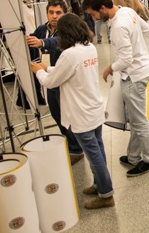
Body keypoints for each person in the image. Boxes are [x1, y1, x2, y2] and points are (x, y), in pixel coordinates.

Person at [30, 13, 114, 210]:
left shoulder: (69, 54)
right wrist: (48, 68)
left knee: (93, 154)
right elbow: (68, 71)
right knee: (98, 149)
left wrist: (39, 71)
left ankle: (106, 193)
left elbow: (52, 81)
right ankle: (99, 184)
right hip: (93, 108)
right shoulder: (89, 48)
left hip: (80, 113)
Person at [83, 0, 149, 177]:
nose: (93, 18)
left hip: (133, 76)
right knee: (135, 117)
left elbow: (125, 59)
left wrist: (110, 67)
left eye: (93, 14)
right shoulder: (127, 11)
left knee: (139, 120)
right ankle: (134, 156)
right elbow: (147, 29)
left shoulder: (118, 26)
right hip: (141, 70)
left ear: (102, 8)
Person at [26, 0, 83, 163]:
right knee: (56, 114)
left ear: (64, 14)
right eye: (51, 12)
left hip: (63, 80)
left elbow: (56, 42)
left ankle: (76, 149)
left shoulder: (67, 31)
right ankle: (70, 143)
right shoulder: (41, 29)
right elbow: (33, 40)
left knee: (67, 116)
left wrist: (41, 43)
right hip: (48, 77)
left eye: (58, 13)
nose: (54, 16)